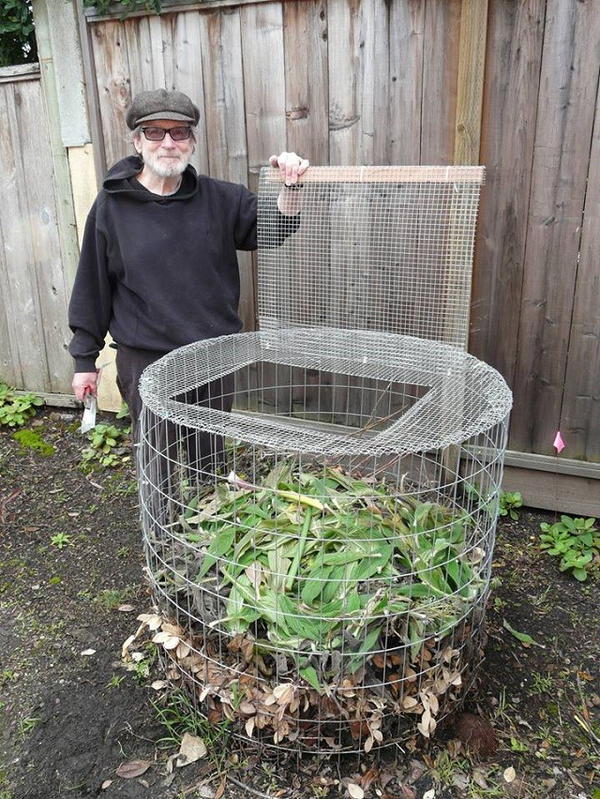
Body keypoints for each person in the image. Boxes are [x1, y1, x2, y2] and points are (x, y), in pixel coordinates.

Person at [68, 89, 309, 448]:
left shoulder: (222, 199)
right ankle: (162, 507)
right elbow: (93, 284)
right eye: (155, 132)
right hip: (146, 360)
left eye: (179, 132)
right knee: (156, 459)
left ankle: (207, 502)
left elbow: (275, 228)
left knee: (207, 458)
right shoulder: (112, 206)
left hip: (211, 357)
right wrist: (84, 359)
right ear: (137, 141)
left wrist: (291, 183)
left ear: (191, 142)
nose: (168, 142)